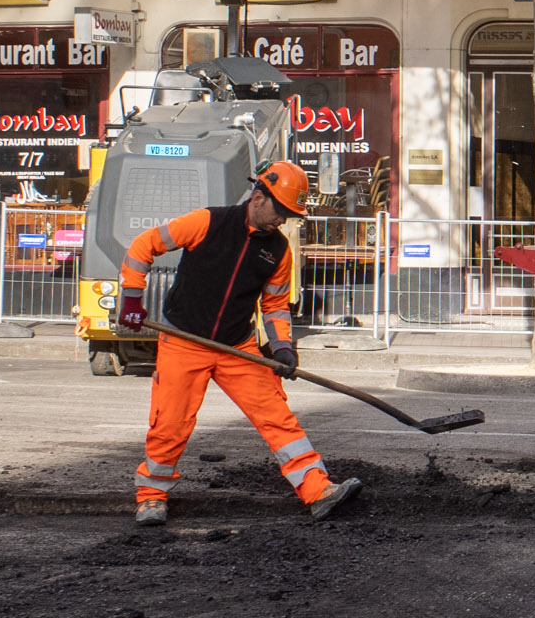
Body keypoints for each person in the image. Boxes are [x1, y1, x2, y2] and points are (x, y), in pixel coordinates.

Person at [117, 161, 359, 526]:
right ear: (259, 196)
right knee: (170, 423)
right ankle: (151, 496)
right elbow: (144, 245)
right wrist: (132, 300)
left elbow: (275, 305)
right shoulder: (207, 222)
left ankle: (318, 490)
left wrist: (282, 348)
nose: (284, 221)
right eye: (282, 211)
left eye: (291, 215)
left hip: (237, 345)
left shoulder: (278, 251)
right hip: (185, 340)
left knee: (277, 417)